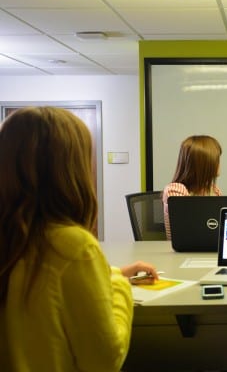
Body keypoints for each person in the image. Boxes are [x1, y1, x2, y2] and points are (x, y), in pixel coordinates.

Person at [0, 107, 160, 372]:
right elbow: (106, 360)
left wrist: (110, 272)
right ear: (69, 169)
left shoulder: (14, 240)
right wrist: (119, 284)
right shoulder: (72, 246)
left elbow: (41, 283)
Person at [162, 135, 223, 240]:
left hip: (205, 247)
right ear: (205, 164)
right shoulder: (175, 190)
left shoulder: (213, 190)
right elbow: (188, 230)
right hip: (183, 252)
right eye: (217, 160)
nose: (219, 164)